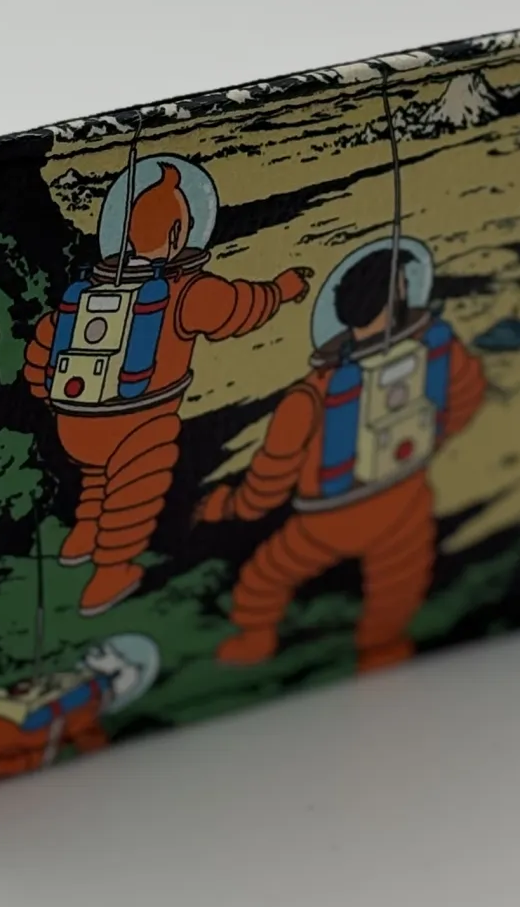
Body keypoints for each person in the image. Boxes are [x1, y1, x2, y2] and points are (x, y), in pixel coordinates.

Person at [26, 157, 309, 616]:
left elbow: (44, 344)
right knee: (132, 493)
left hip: (75, 422)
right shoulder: (186, 291)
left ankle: (83, 536)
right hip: (141, 421)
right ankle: (111, 571)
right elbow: (239, 308)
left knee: (98, 477)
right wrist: (281, 289)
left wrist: (50, 396)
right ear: (180, 234)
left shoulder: (89, 290)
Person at [200, 236, 485, 674]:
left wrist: (232, 506)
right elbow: (465, 394)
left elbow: (272, 473)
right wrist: (431, 439)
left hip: (329, 516)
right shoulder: (437, 349)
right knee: (399, 582)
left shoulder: (313, 394)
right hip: (406, 496)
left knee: (267, 576)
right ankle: (381, 648)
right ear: (398, 294)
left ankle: (255, 638)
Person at [0, 634, 160, 794]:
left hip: (10, 747)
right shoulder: (74, 685)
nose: (93, 652)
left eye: (104, 653)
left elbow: (80, 733)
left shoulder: (87, 698)